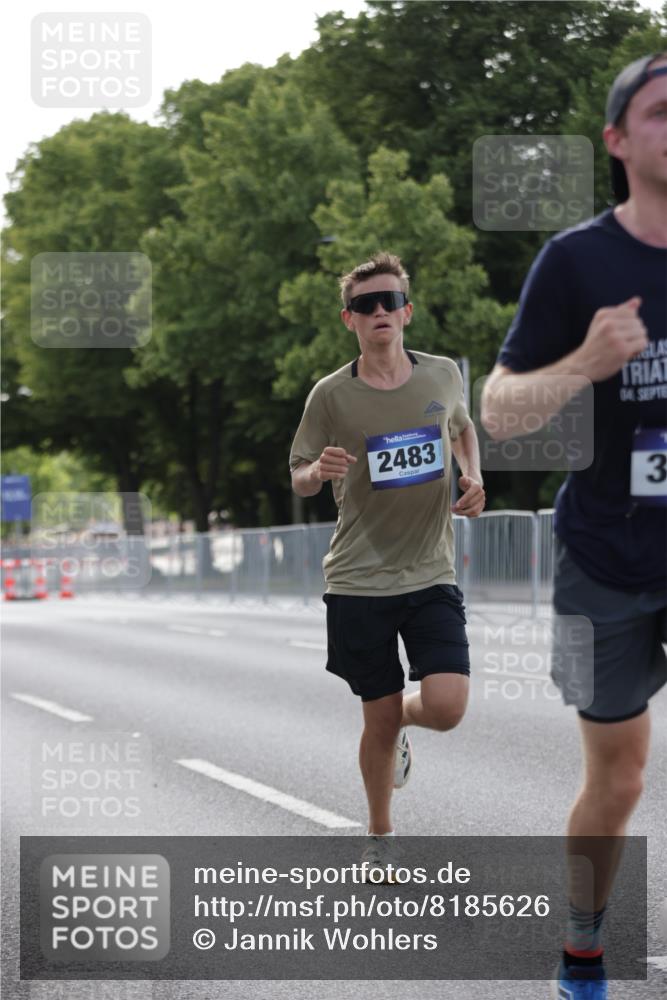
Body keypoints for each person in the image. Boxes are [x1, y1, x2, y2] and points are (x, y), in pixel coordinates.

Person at [482, 54, 667, 999]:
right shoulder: (577, 261)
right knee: (620, 779)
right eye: (662, 112)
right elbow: (500, 410)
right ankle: (583, 942)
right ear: (616, 141)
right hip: (606, 556)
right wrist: (588, 362)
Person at [289, 251, 485, 878]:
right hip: (358, 578)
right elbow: (298, 476)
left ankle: (402, 716)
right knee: (375, 715)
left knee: (449, 706)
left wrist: (474, 475)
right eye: (367, 304)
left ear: (407, 310)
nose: (381, 312)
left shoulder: (441, 377)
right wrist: (318, 470)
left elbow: (462, 429)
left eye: (390, 301)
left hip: (430, 570)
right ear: (350, 318)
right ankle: (379, 833)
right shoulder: (331, 395)